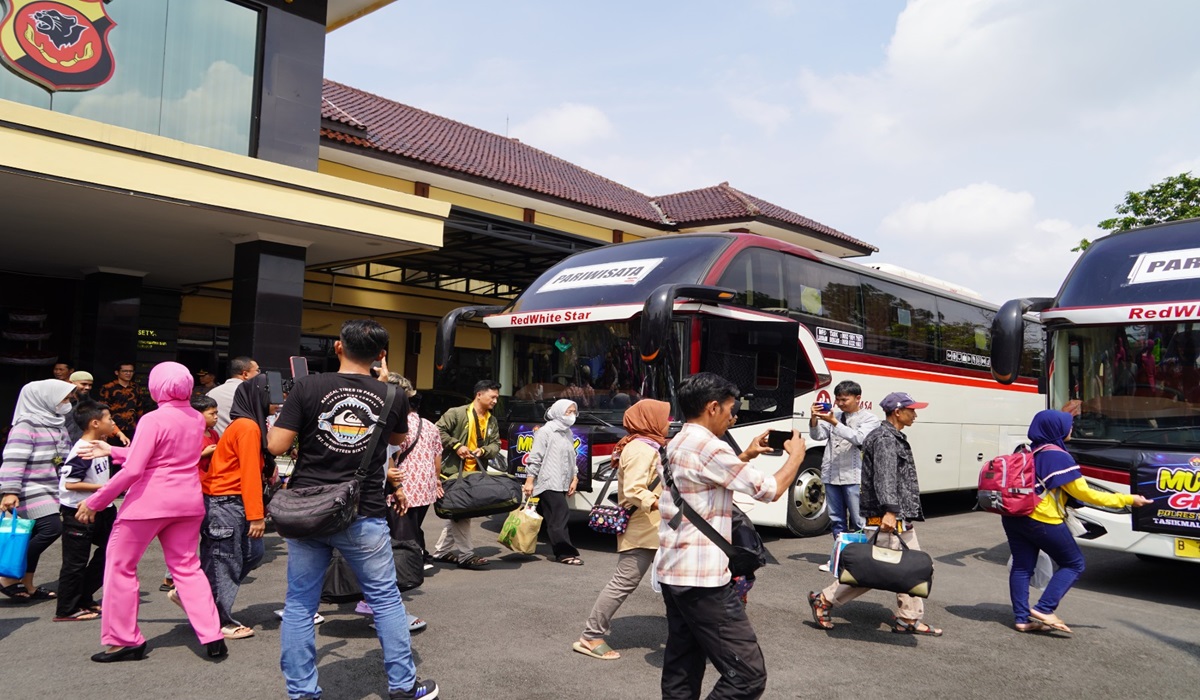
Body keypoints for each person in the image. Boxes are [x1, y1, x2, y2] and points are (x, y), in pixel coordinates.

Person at [267, 319, 438, 700]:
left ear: (337, 347)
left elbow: (277, 446)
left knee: (299, 604)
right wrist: (386, 381)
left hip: (309, 509)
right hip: (364, 512)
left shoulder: (308, 386)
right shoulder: (394, 395)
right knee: (385, 599)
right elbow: (397, 439)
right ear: (381, 356)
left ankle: (302, 693)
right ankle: (403, 686)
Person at [657, 373, 806, 700]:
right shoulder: (709, 447)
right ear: (712, 407)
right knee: (748, 675)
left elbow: (703, 481)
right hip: (705, 581)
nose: (733, 416)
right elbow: (770, 490)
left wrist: (747, 455)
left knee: (683, 665)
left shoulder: (675, 443)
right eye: (730, 409)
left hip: (674, 572)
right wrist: (797, 455)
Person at [74, 362, 226, 662]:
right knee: (188, 569)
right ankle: (212, 635)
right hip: (188, 501)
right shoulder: (196, 418)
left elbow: (136, 468)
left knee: (120, 567)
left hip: (148, 503)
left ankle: (124, 640)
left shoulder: (152, 419)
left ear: (158, 386)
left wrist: (96, 501)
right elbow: (168, 453)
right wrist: (115, 450)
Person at [808, 391, 943, 636]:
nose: (915, 414)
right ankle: (824, 599)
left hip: (897, 516)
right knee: (875, 570)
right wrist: (890, 512)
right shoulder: (885, 439)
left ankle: (909, 618)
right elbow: (885, 478)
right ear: (897, 412)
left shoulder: (891, 436)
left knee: (909, 567)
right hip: (887, 517)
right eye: (911, 409)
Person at [1003, 410, 1151, 633]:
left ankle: (1022, 619)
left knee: (1023, 567)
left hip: (1014, 516)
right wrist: (1129, 499)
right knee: (1074, 563)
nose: (1071, 429)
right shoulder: (1057, 456)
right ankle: (1044, 608)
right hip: (1042, 519)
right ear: (1056, 429)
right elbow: (1086, 494)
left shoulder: (1029, 450)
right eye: (1067, 425)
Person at [575, 398, 669, 661]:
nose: (668, 423)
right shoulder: (641, 449)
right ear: (650, 420)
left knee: (674, 583)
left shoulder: (648, 444)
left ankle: (686, 633)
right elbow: (634, 490)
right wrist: (661, 503)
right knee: (623, 583)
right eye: (664, 417)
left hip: (653, 527)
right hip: (643, 527)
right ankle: (590, 636)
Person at [200, 376, 271, 640]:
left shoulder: (246, 424)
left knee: (249, 553)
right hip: (226, 501)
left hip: (227, 501)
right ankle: (218, 619)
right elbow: (249, 474)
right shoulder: (248, 427)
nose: (274, 402)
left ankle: (199, 598)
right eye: (269, 396)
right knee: (225, 562)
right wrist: (256, 516)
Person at [0, 378, 77, 602]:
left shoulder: (57, 422)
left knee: (31, 534)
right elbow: (13, 459)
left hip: (52, 488)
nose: (66, 402)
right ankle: (5, 574)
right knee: (51, 528)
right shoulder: (25, 425)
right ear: (44, 398)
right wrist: (10, 490)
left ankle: (27, 584)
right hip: (29, 488)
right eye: (63, 397)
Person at [54, 400, 119, 621]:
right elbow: (70, 483)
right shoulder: (82, 449)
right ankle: (67, 609)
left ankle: (83, 597)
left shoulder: (99, 445)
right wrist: (105, 487)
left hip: (103, 508)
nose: (112, 422)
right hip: (79, 511)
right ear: (94, 423)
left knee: (112, 551)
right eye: (109, 419)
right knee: (75, 562)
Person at [809, 380, 880, 572]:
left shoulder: (870, 419)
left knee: (858, 521)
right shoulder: (836, 415)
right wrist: (814, 419)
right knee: (836, 519)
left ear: (858, 398)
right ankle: (839, 558)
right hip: (831, 474)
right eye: (837, 399)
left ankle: (862, 561)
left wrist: (833, 422)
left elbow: (859, 439)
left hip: (855, 477)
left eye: (844, 399)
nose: (840, 403)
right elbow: (817, 436)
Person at [431, 379, 501, 570]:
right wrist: (456, 445)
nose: (495, 400)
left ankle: (441, 552)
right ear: (479, 394)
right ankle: (467, 555)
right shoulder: (456, 413)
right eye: (492, 396)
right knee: (461, 514)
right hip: (452, 475)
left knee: (458, 514)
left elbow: (496, 445)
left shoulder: (491, 420)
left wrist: (484, 451)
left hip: (474, 475)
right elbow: (437, 430)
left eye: (497, 397)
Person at [522, 399, 582, 565]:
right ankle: (564, 553)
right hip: (548, 480)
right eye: (568, 412)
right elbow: (535, 458)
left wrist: (574, 478)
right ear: (558, 412)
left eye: (573, 412)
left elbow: (572, 457)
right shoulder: (545, 432)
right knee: (559, 514)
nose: (571, 416)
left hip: (562, 481)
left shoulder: (567, 432)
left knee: (552, 515)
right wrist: (529, 481)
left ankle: (557, 549)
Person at [97, 362, 151, 446]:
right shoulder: (108, 387)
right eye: (125, 371)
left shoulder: (136, 388)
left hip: (132, 427)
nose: (128, 373)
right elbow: (102, 408)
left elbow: (140, 408)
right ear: (117, 372)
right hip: (113, 428)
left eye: (131, 371)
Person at [208, 356, 259, 434]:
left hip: (216, 443)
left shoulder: (212, 392)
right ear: (245, 374)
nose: (259, 374)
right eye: (257, 370)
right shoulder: (251, 394)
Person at [64, 371, 95, 444]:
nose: (87, 387)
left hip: (83, 446)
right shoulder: (62, 403)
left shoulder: (91, 404)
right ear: (71, 383)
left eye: (90, 385)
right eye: (83, 384)